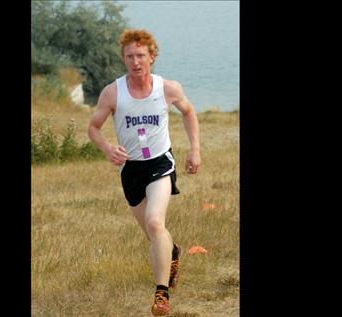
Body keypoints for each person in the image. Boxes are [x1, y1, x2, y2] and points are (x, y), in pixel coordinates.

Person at [87, 29, 201, 316]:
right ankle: (172, 252)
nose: (135, 61)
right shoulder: (113, 92)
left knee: (154, 222)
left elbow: (188, 112)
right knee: (154, 235)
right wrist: (108, 148)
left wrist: (194, 149)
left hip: (160, 163)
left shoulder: (168, 88)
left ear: (152, 57)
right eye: (129, 56)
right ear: (123, 59)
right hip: (131, 169)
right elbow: (93, 127)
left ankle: (161, 295)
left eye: (141, 55)